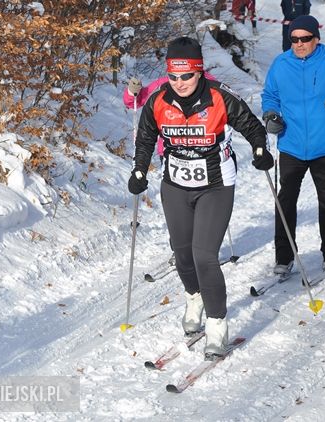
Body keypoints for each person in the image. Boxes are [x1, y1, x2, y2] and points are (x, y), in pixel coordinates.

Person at [128, 36, 273, 359]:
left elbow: (252, 126)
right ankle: (194, 297)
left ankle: (217, 324)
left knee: (204, 255)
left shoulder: (220, 96)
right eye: (174, 77)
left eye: (187, 76)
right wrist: (139, 170)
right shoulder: (158, 101)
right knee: (182, 255)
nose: (180, 83)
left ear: (199, 72)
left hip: (215, 184)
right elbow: (147, 137)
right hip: (176, 184)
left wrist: (260, 149)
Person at [261, 15, 325, 277]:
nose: (299, 44)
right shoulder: (281, 64)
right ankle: (284, 256)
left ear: (316, 38)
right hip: (291, 144)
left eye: (305, 39)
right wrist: (270, 115)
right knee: (285, 201)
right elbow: (270, 96)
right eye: (294, 39)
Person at [124, 72, 219, 268]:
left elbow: (221, 102)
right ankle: (180, 249)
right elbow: (136, 101)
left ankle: (203, 248)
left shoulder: (207, 80)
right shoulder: (162, 83)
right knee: (178, 204)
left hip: (202, 150)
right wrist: (132, 91)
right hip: (170, 151)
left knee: (202, 202)